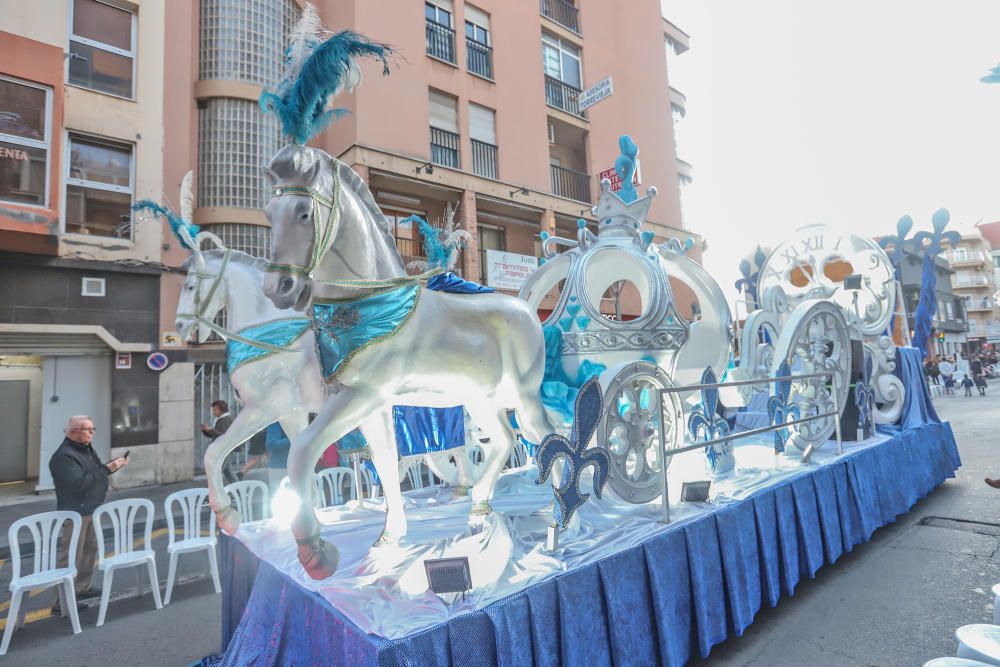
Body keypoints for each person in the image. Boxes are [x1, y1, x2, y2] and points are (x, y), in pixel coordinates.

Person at [49, 415, 128, 609]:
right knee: (71, 555)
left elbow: (95, 471)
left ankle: (82, 587)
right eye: (88, 429)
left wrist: (111, 466)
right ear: (74, 432)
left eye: (93, 429)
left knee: (90, 549)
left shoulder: (85, 449)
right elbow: (77, 484)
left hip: (91, 508)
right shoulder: (63, 456)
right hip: (75, 512)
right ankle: (63, 601)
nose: (92, 433)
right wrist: (107, 469)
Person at [200, 400, 236, 483]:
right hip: (221, 449)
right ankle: (239, 490)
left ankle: (214, 493)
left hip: (224, 449)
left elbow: (224, 436)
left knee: (216, 472)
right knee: (228, 473)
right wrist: (206, 431)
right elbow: (215, 435)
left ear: (222, 410)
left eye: (215, 410)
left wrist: (211, 430)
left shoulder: (227, 420)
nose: (214, 412)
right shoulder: (220, 419)